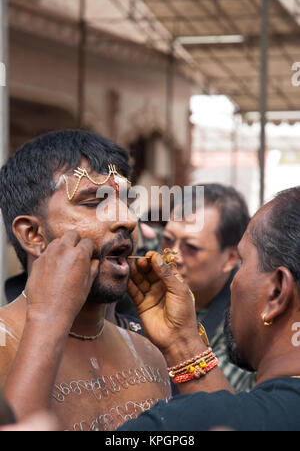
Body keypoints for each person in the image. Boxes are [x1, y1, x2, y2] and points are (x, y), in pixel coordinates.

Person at [0, 130, 171, 431]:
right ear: (33, 235)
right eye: (94, 203)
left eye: (127, 202)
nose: (127, 220)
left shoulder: (149, 353)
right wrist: (49, 319)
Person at [119, 186, 300, 431]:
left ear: (276, 292)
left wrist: (51, 315)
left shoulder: (185, 422)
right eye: (168, 240)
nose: (174, 255)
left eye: (244, 262)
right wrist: (181, 344)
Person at [161, 184, 255, 392]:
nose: (173, 256)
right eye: (168, 239)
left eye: (191, 247)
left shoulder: (245, 322)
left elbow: (224, 402)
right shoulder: (144, 288)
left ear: (231, 258)